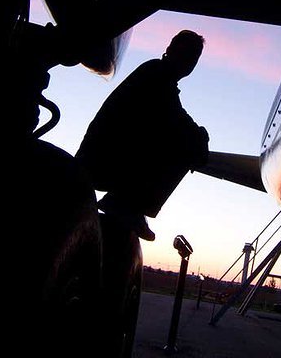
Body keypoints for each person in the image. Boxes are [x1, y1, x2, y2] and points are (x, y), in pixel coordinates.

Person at [75, 30, 209, 241]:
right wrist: (201, 138)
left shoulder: (157, 76)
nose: (189, 62)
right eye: (187, 53)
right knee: (189, 144)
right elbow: (174, 119)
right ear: (170, 50)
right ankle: (126, 204)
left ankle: (126, 203)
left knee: (191, 139)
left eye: (194, 58)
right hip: (104, 159)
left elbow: (174, 116)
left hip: (106, 157)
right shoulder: (156, 75)